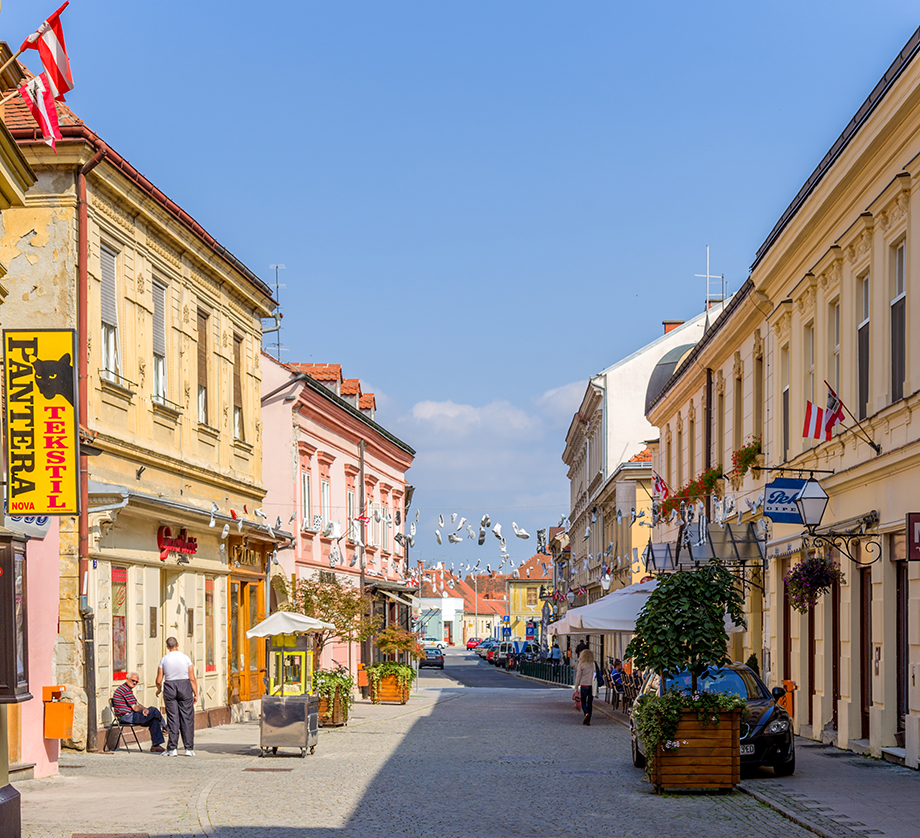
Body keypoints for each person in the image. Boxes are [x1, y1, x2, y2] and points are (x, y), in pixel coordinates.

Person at [156, 636, 198, 757]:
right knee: (187, 718)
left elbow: (159, 680)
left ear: (167, 646)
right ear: (178, 644)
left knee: (172, 718)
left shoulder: (164, 659)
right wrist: (195, 693)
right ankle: (189, 749)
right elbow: (192, 678)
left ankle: (172, 749)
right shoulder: (185, 658)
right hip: (184, 685)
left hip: (170, 686)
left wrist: (159, 690)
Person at [112, 672, 166, 752]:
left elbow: (137, 704)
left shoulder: (127, 689)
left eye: (136, 682)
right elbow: (135, 708)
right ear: (127, 679)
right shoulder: (125, 690)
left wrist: (144, 709)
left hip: (130, 715)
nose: (134, 683)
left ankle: (155, 745)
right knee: (153, 710)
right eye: (133, 680)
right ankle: (165, 727)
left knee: (154, 720)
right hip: (126, 717)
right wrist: (144, 709)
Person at [573, 648, 596, 725]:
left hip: (584, 685)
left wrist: (576, 687)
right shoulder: (593, 664)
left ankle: (586, 713)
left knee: (583, 701)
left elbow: (578, 676)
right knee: (590, 702)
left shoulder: (581, 664)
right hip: (592, 685)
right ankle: (588, 720)